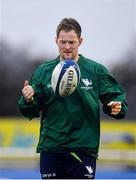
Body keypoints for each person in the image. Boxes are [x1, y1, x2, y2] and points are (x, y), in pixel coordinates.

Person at [18, 18, 127, 179]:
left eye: (72, 42)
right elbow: (30, 111)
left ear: (80, 41)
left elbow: (116, 99)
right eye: (63, 42)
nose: (67, 47)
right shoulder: (43, 72)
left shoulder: (95, 70)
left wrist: (116, 106)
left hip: (82, 148)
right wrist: (28, 99)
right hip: (51, 147)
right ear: (56, 41)